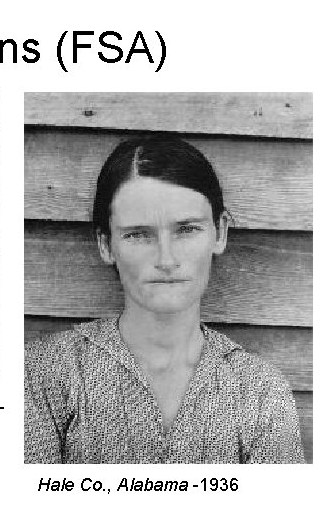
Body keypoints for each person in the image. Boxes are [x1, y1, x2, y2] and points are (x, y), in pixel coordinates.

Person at [24, 136, 305, 464]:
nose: (167, 259)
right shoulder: (43, 374)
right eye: (138, 234)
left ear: (220, 231)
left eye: (186, 230)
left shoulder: (260, 390)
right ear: (105, 244)